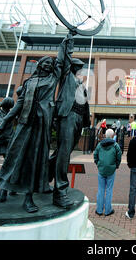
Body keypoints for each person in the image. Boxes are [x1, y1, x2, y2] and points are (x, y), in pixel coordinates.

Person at [0, 34, 70, 213]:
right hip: (24, 124)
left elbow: (60, 61)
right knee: (14, 156)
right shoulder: (30, 82)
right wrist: (5, 121)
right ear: (39, 64)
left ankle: (28, 198)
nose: (48, 65)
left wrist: (66, 42)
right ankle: (3, 190)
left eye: (50, 64)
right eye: (45, 62)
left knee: (35, 161)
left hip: (41, 125)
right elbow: (19, 104)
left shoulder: (53, 79)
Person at [50, 33, 91, 209]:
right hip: (67, 116)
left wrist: (84, 122)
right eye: (79, 66)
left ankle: (44, 177)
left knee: (62, 152)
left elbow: (84, 104)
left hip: (78, 120)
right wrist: (69, 40)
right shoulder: (67, 77)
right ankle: (60, 191)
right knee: (64, 153)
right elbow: (64, 59)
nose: (81, 69)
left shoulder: (80, 83)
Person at [93, 129, 122, 216]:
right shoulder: (115, 145)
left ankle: (99, 210)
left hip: (101, 169)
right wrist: (116, 165)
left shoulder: (100, 144)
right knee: (109, 190)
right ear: (113, 136)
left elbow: (95, 155)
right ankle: (108, 210)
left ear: (105, 135)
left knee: (101, 189)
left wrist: (98, 163)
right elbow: (119, 156)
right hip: (111, 169)